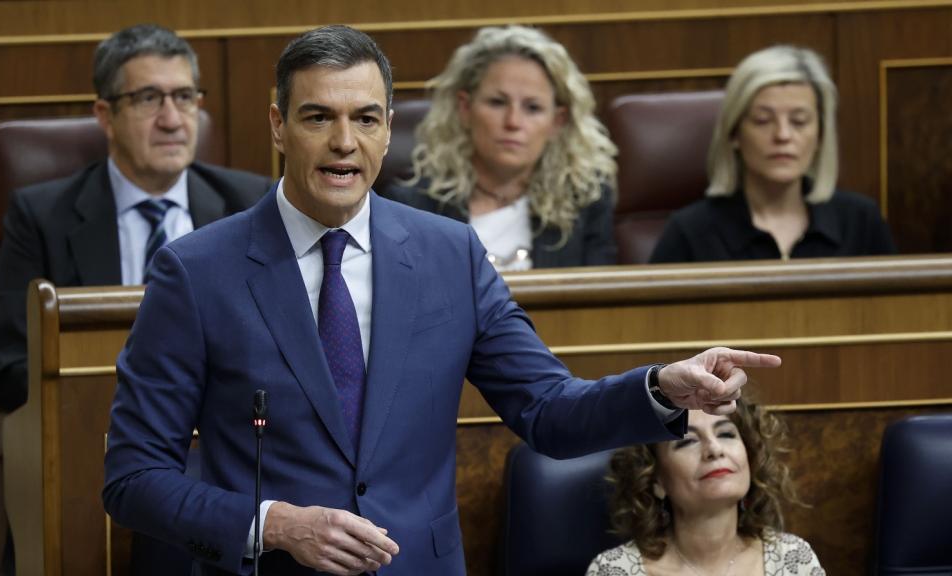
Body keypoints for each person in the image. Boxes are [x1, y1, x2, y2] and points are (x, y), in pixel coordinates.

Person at [102, 25, 781, 576]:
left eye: (365, 118)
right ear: (279, 125)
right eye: (319, 117)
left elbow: (546, 409)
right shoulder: (195, 271)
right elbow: (133, 477)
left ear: (389, 127)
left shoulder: (447, 254)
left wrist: (661, 388)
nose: (344, 142)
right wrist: (275, 524)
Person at [0, 24, 269, 413]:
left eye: (184, 97)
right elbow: (8, 367)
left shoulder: (251, 205)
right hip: (96, 430)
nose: (172, 120)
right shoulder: (42, 218)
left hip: (225, 431)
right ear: (105, 115)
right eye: (149, 99)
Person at [386, 25, 617, 271]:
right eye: (497, 102)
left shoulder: (584, 202)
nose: (513, 122)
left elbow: (602, 302)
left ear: (557, 122)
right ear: (465, 108)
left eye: (533, 108)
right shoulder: (410, 206)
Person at [649, 45, 896, 263]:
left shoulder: (860, 221)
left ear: (820, 135)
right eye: (763, 120)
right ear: (734, 133)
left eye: (799, 121)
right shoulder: (691, 231)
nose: (783, 135)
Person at [586, 400, 825, 575]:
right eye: (688, 441)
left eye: (726, 434)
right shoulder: (614, 570)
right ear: (655, 479)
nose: (714, 449)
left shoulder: (792, 558)